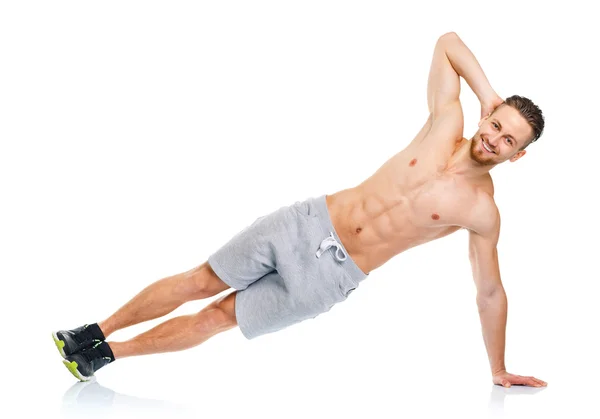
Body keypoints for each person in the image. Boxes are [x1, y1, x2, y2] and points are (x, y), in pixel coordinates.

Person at [53, 32, 547, 388]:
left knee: (217, 318)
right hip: (306, 223)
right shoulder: (446, 121)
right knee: (200, 279)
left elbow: (489, 292)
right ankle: (94, 330)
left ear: (516, 156)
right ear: (488, 113)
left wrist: (497, 368)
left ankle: (103, 356)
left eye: (509, 141)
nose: (494, 139)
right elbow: (447, 42)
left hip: (330, 276)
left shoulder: (482, 211)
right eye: (497, 124)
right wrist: (488, 95)